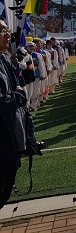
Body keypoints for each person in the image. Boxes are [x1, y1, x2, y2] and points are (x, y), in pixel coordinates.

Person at [0, 21, 28, 209]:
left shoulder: (4, 60)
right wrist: (18, 96)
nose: (7, 34)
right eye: (2, 31)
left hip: (10, 133)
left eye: (7, 30)